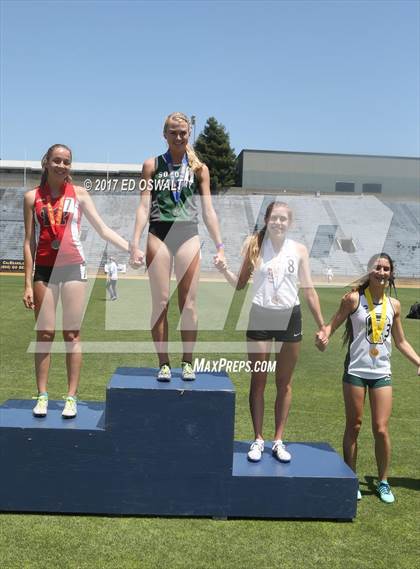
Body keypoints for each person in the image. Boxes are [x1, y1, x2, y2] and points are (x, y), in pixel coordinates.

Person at [214, 201, 327, 463]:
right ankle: (258, 439)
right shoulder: (255, 247)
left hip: (290, 317)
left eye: (283, 219)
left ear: (290, 222)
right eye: (274, 218)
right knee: (259, 381)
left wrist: (322, 324)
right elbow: (240, 285)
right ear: (266, 220)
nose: (278, 222)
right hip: (261, 316)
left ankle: (278, 440)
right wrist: (224, 270)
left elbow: (308, 289)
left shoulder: (299, 250)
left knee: (284, 383)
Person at [23, 144, 129, 419]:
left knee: (72, 334)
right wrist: (27, 282)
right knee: (44, 334)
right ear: (46, 162)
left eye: (66, 161)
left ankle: (71, 397)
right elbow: (28, 241)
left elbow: (103, 229)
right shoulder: (31, 197)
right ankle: (42, 395)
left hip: (72, 268)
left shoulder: (80, 194)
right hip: (44, 271)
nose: (61, 165)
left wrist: (132, 248)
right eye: (57, 160)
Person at [316, 253, 420, 503]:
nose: (382, 272)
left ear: (390, 273)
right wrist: (324, 335)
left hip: (382, 372)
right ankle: (351, 478)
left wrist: (419, 361)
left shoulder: (394, 305)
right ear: (369, 271)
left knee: (381, 429)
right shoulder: (353, 299)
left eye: (386, 269)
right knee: (354, 425)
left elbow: (401, 341)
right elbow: (333, 324)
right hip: (355, 372)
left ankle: (383, 482)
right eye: (378, 268)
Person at [130, 112, 225, 382]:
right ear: (165, 135)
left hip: (187, 234)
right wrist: (134, 242)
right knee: (160, 302)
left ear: (189, 133)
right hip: (158, 232)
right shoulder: (151, 165)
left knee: (189, 305)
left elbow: (208, 210)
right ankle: (163, 363)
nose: (179, 136)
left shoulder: (199, 168)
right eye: (173, 132)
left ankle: (187, 361)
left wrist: (219, 246)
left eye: (183, 132)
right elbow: (143, 205)